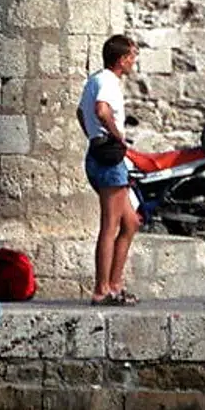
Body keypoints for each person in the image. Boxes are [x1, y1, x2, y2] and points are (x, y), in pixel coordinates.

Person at [77, 32, 140, 305]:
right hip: (109, 159)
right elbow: (101, 110)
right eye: (132, 57)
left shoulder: (95, 80)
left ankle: (114, 283)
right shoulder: (108, 82)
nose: (133, 63)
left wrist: (92, 135)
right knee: (110, 225)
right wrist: (117, 136)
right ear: (122, 59)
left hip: (98, 153)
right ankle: (102, 289)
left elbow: (82, 112)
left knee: (131, 223)